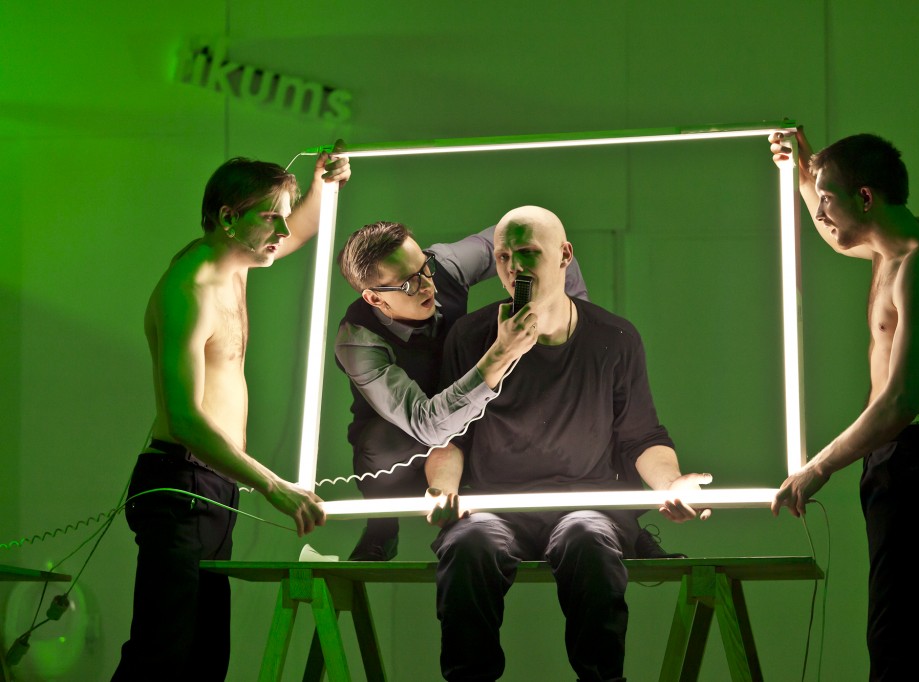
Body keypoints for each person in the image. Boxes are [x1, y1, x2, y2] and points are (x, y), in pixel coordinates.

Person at [423, 205, 712, 682]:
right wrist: (443, 488)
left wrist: (672, 484)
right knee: (470, 545)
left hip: (586, 505)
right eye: (503, 257)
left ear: (564, 255)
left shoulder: (615, 338)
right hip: (495, 507)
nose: (514, 267)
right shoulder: (471, 336)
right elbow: (449, 438)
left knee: (587, 538)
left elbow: (642, 436)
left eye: (527, 252)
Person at [111, 149, 351, 681]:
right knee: (160, 659)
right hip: (178, 486)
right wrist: (273, 486)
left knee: (204, 662)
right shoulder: (189, 290)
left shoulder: (238, 261)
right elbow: (184, 420)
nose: (282, 230)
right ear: (228, 218)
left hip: (214, 487)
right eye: (270, 217)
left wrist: (320, 186)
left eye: (282, 217)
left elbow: (297, 230)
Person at [769, 129, 919, 681]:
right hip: (897, 455)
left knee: (900, 639)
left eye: (828, 199)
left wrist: (817, 467)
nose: (822, 213)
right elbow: (838, 239)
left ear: (865, 197)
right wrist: (806, 175)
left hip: (918, 456)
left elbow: (900, 401)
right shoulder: (889, 246)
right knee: (910, 633)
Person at [333, 220, 590, 559]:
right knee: (377, 444)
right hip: (410, 441)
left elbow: (537, 235)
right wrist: (501, 353)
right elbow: (427, 426)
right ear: (374, 298)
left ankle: (623, 522)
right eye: (408, 284)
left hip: (475, 409)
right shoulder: (358, 341)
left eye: (424, 267)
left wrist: (573, 321)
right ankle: (381, 526)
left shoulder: (445, 265)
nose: (427, 285)